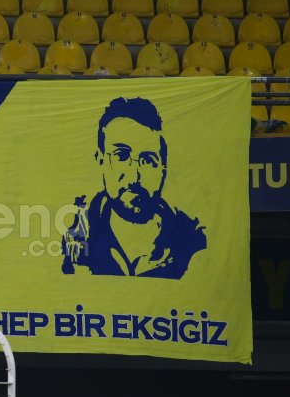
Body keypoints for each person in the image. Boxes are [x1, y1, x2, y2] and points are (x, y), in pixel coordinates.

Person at [61, 96, 206, 279]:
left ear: (163, 169)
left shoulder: (193, 242)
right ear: (100, 160)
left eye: (147, 160)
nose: (134, 175)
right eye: (121, 156)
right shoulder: (73, 241)